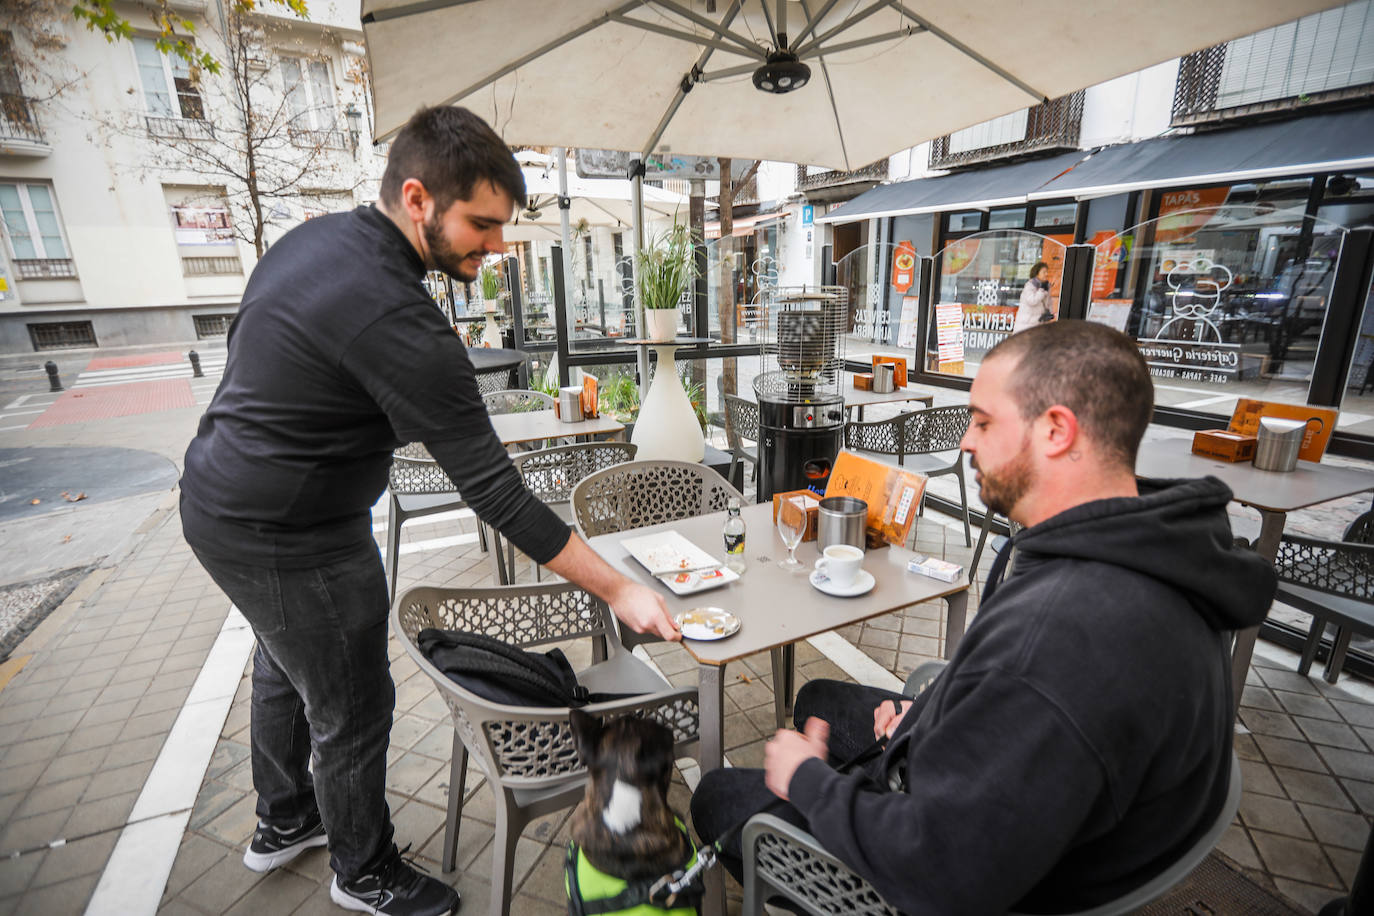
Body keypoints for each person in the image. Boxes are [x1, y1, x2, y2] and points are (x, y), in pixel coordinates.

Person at [179, 106, 679, 916]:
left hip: (218, 499)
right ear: (417, 199)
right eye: (481, 224)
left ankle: (288, 818)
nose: (497, 245)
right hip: (292, 532)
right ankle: (363, 870)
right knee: (353, 701)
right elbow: (497, 492)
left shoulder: (314, 242)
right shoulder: (395, 316)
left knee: (286, 660)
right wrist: (619, 588)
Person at [690, 320, 1275, 914]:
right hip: (1010, 796)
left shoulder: (1062, 640)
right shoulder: (1157, 551)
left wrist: (809, 782)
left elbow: (940, 868)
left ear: (1056, 431)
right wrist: (932, 716)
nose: (966, 440)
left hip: (956, 872)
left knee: (717, 798)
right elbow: (1015, 715)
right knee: (818, 698)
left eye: (984, 422)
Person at [1014, 260, 1053, 333]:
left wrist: (1049, 313)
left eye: (1047, 272)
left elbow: (1048, 304)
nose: (1046, 274)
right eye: (1044, 272)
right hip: (1026, 325)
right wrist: (1042, 290)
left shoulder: (1045, 286)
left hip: (1038, 324)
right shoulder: (1030, 285)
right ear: (1037, 273)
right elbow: (1032, 301)